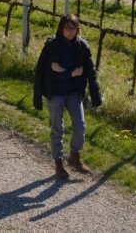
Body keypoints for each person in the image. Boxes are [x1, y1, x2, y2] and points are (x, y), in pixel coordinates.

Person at [33, 14, 102, 180]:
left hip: (73, 93)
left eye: (74, 28)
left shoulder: (82, 47)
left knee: (80, 126)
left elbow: (90, 72)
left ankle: (74, 157)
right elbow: (44, 72)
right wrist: (71, 73)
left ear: (78, 29)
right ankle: (58, 163)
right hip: (54, 93)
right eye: (67, 28)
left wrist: (95, 96)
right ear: (61, 28)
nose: (70, 32)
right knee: (58, 129)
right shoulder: (51, 46)